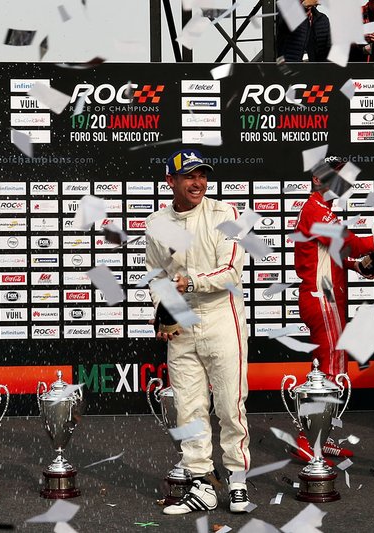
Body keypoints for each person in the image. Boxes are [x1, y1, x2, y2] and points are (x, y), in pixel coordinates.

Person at [145, 149, 251, 515]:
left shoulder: (227, 213)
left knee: (229, 405)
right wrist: (164, 314)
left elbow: (231, 272)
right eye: (189, 176)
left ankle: (237, 481)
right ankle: (202, 483)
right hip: (183, 324)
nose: (198, 182)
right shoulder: (157, 222)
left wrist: (189, 282)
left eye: (202, 175)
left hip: (223, 316)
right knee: (188, 409)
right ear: (170, 181)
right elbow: (157, 275)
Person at [293, 160, 374, 463]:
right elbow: (349, 242)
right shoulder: (316, 209)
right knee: (328, 373)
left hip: (328, 299)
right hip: (321, 300)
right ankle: (307, 439)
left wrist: (358, 266)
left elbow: (334, 253)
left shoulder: (323, 210)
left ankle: (320, 435)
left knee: (330, 371)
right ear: (318, 178)